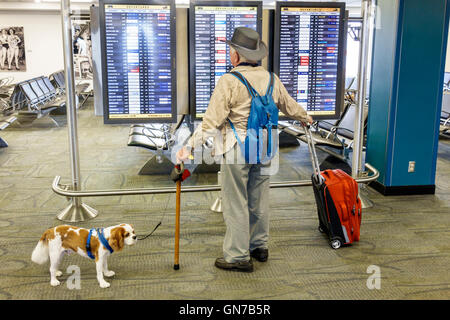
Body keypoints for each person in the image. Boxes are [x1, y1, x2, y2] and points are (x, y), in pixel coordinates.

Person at [176, 27, 312, 273]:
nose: (230, 54)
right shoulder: (271, 78)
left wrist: (189, 147)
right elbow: (289, 106)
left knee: (236, 201)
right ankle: (259, 246)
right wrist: (305, 117)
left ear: (237, 55)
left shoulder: (229, 80)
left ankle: (238, 256)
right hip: (266, 146)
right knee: (259, 198)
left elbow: (212, 122)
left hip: (237, 146)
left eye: (231, 50)